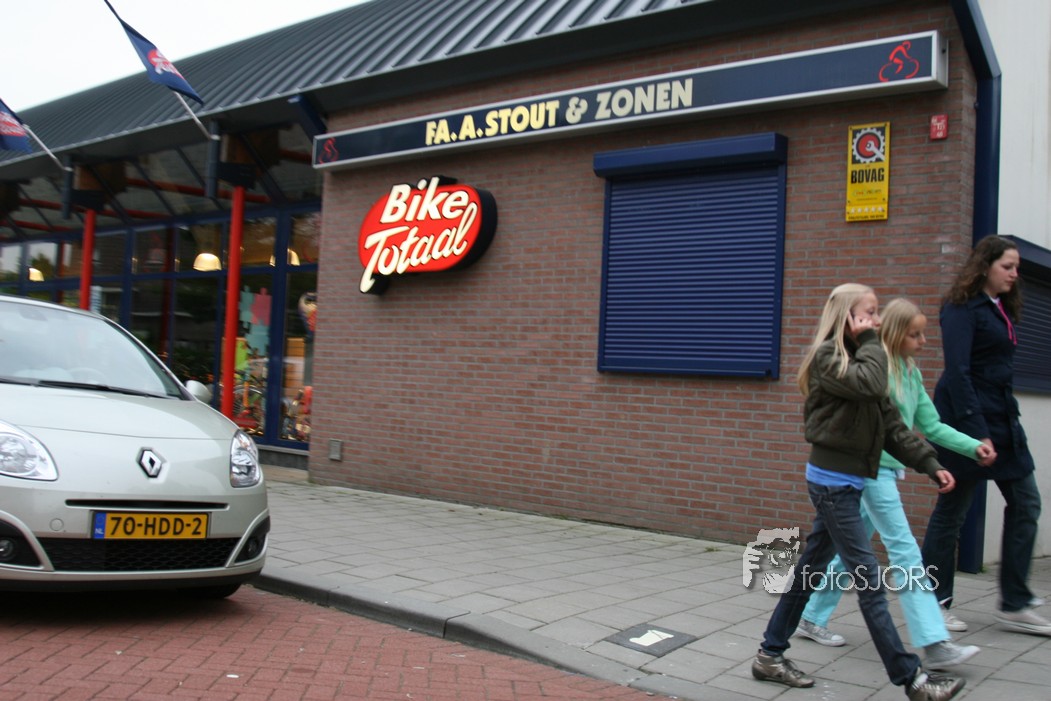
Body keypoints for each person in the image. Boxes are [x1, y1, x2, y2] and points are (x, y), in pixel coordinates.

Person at [752, 284, 964, 701]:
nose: (877, 321)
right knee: (869, 582)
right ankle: (914, 682)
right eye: (870, 313)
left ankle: (769, 656)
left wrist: (930, 463)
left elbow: (892, 426)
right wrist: (870, 341)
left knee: (809, 571)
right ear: (848, 317)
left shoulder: (864, 360)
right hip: (832, 485)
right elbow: (870, 384)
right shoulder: (829, 359)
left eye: (877, 313)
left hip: (848, 483)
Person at [795, 299, 993, 671]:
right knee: (904, 551)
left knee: (846, 551)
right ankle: (934, 642)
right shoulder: (875, 368)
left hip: (882, 472)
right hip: (869, 472)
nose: (923, 341)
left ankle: (810, 616)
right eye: (915, 335)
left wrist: (972, 447)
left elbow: (931, 427)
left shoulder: (910, 373)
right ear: (897, 334)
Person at [920, 236, 1049, 635]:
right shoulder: (961, 307)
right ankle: (934, 603)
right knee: (952, 512)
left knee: (1026, 502)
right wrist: (976, 434)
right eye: (1007, 266)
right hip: (965, 421)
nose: (1014, 274)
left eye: (1016, 267)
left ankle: (1014, 603)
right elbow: (958, 373)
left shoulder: (1001, 307)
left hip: (1004, 420)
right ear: (985, 265)